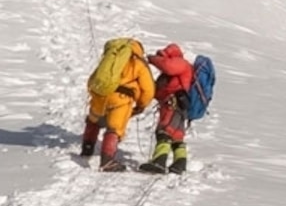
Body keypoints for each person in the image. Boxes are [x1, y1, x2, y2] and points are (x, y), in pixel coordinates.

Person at [80, 37, 157, 171]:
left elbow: (95, 77)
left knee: (94, 120)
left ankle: (87, 148)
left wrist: (93, 92)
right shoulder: (138, 62)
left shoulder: (109, 57)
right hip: (121, 98)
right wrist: (141, 105)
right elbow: (148, 89)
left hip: (100, 94)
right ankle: (107, 161)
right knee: (114, 128)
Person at [140, 44, 201, 174]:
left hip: (172, 104)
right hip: (181, 105)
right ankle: (180, 163)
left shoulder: (180, 63)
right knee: (177, 135)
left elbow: (169, 67)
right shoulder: (182, 68)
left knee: (164, 131)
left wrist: (152, 59)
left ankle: (159, 161)